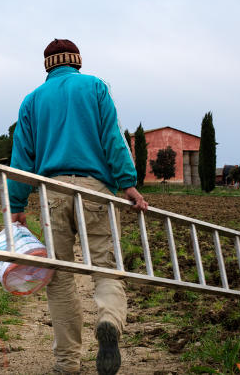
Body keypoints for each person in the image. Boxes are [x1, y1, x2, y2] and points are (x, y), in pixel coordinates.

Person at [8, 39, 148, 374]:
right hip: (95, 191)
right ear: (77, 62)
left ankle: (67, 363)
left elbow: (21, 158)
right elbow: (112, 138)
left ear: (48, 66)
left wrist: (17, 203)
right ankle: (110, 322)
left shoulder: (31, 101)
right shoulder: (95, 88)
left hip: (51, 193)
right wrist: (128, 184)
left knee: (58, 278)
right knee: (105, 266)